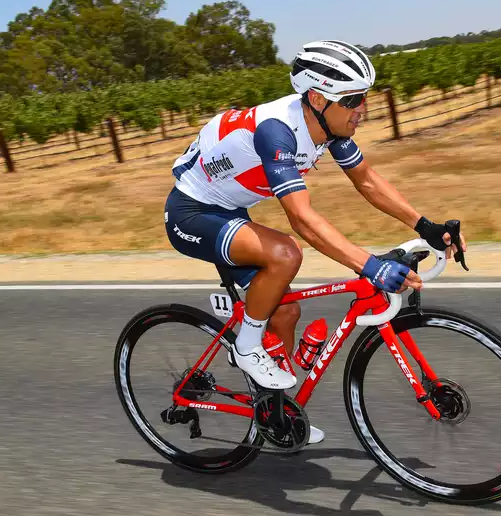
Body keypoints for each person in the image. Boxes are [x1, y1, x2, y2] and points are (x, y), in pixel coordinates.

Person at [165, 40, 466, 444]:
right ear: (319, 97)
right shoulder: (277, 132)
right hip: (192, 213)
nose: (364, 108)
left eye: (365, 97)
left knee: (285, 313)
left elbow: (367, 181)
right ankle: (247, 345)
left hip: (230, 211)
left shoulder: (327, 125)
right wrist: (368, 265)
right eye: (355, 99)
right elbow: (302, 219)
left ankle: (274, 416)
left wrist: (424, 225)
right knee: (285, 253)